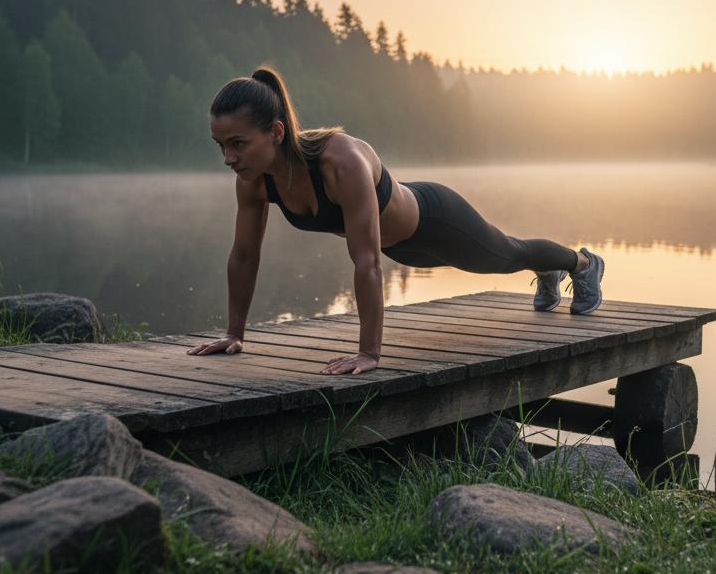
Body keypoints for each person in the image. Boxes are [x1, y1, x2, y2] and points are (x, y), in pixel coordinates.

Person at [187, 67, 604, 375]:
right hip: (400, 245)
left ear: (276, 132)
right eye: (220, 146)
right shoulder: (255, 182)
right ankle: (548, 268)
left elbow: (365, 262)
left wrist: (369, 353)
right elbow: (243, 257)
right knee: (504, 257)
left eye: (238, 144)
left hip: (436, 219)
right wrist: (234, 334)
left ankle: (581, 264)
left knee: (506, 254)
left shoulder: (340, 161)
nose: (228, 158)